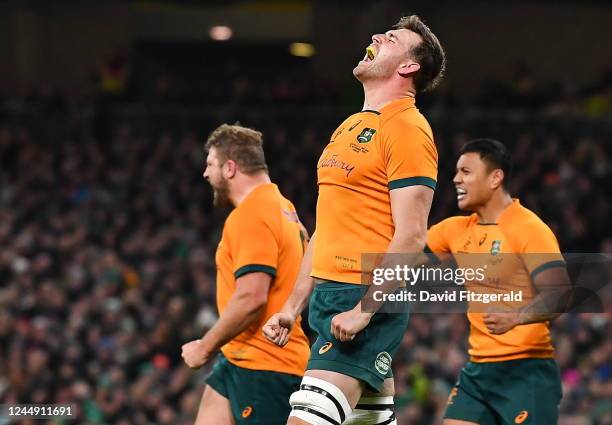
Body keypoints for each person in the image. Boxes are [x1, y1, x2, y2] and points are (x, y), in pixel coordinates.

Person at [263, 15, 446, 425]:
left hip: (362, 293)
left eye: (392, 38)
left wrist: (365, 310)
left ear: (409, 67)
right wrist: (292, 306)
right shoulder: (352, 126)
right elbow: (327, 228)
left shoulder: (408, 129)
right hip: (331, 297)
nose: (377, 36)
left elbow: (412, 235)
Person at [426, 138, 570, 425]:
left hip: (526, 372)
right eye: (456, 172)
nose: (456, 179)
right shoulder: (454, 230)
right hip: (478, 372)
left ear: (496, 177)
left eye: (466, 171)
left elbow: (560, 294)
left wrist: (516, 317)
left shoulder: (528, 229)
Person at [181, 124, 310, 425]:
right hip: (238, 356)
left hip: (266, 364)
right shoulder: (284, 208)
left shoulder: (252, 213)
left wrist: (204, 347)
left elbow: (252, 297)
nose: (205, 174)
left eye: (210, 164)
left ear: (230, 168)